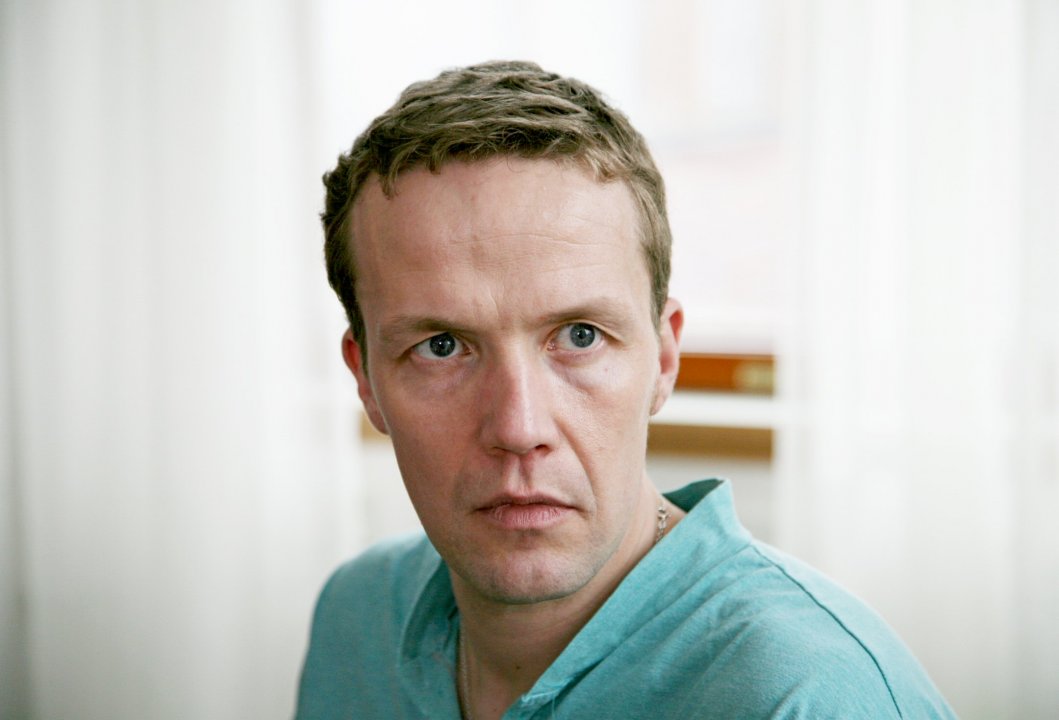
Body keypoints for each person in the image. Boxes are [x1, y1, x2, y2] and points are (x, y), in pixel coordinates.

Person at [295, 60, 955, 719]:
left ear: (663, 357)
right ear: (366, 380)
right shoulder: (356, 617)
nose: (519, 428)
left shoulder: (807, 697)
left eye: (579, 336)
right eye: (441, 346)